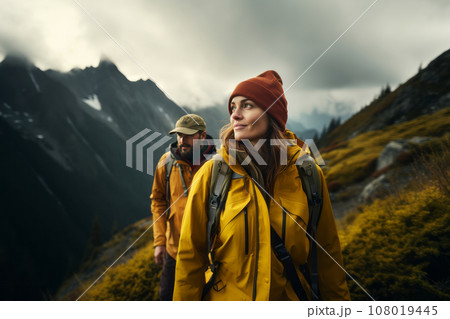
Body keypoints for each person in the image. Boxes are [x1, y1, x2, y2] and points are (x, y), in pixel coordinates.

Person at [173, 71, 350, 301]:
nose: (235, 115)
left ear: (272, 114)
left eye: (247, 106)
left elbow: (328, 257)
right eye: (233, 107)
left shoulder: (307, 175)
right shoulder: (213, 174)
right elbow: (190, 256)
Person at [150, 114, 216, 301]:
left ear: (202, 136)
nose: (182, 140)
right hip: (174, 251)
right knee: (167, 299)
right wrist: (160, 242)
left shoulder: (217, 166)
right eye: (179, 135)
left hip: (207, 254)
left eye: (188, 135)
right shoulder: (166, 162)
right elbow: (157, 201)